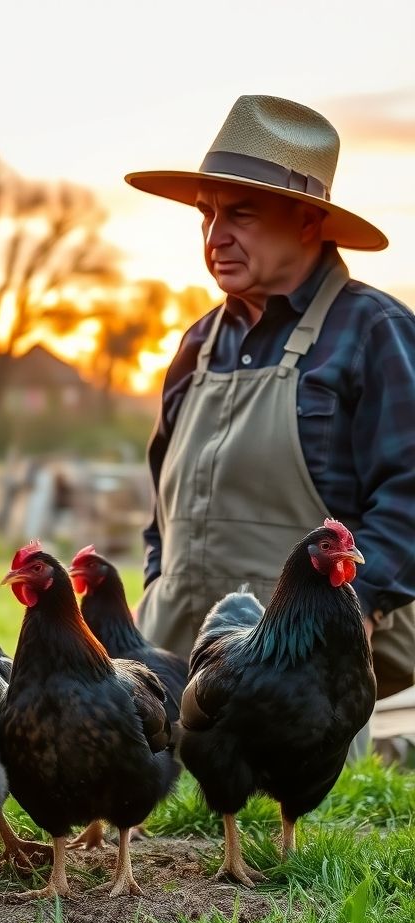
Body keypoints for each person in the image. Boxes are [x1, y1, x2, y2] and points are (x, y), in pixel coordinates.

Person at [126, 95, 415, 723]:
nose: (215, 235)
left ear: (309, 221)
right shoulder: (197, 344)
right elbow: (163, 507)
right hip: (175, 686)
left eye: (242, 214)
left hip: (300, 691)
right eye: (207, 215)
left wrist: (357, 604)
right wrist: (156, 586)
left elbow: (410, 493)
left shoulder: (374, 333)